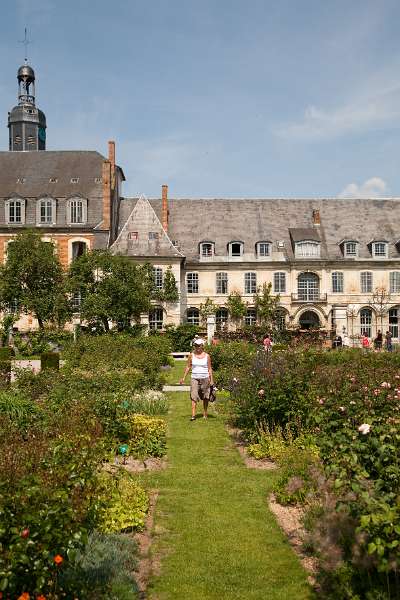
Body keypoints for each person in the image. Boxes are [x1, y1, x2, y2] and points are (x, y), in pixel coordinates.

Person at [180, 338, 214, 421]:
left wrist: (211, 379)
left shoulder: (207, 356)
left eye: (199, 345)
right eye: (196, 345)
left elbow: (209, 369)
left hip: (205, 378)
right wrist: (183, 377)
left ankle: (205, 413)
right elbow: (188, 366)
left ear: (202, 346)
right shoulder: (191, 355)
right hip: (194, 378)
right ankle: (193, 415)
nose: (197, 347)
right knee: (193, 395)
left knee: (206, 396)